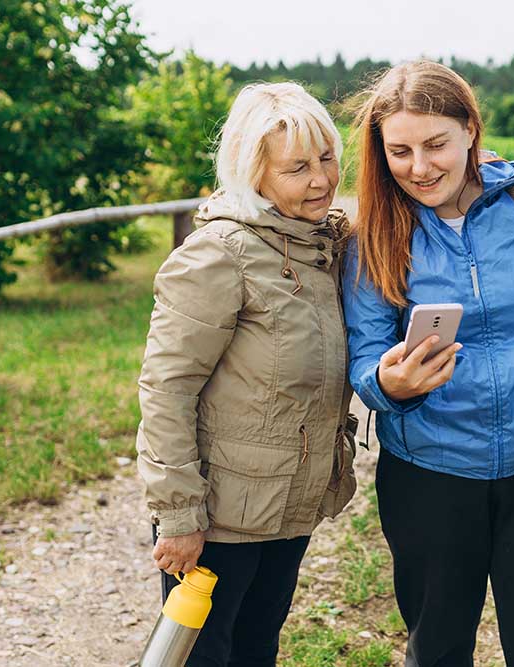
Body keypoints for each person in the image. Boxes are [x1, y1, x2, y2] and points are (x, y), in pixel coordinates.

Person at [342, 61, 514, 667]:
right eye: (400, 151)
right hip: (429, 476)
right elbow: (365, 356)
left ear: (470, 128)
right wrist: (389, 385)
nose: (420, 167)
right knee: (437, 650)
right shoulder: (374, 232)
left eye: (436, 144)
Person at [135, 81, 357, 666]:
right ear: (253, 172)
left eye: (327, 159)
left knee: (257, 650)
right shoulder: (219, 254)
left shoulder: (318, 248)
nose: (321, 180)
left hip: (287, 508)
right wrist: (179, 515)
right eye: (297, 168)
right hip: (219, 521)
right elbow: (167, 389)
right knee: (201, 657)